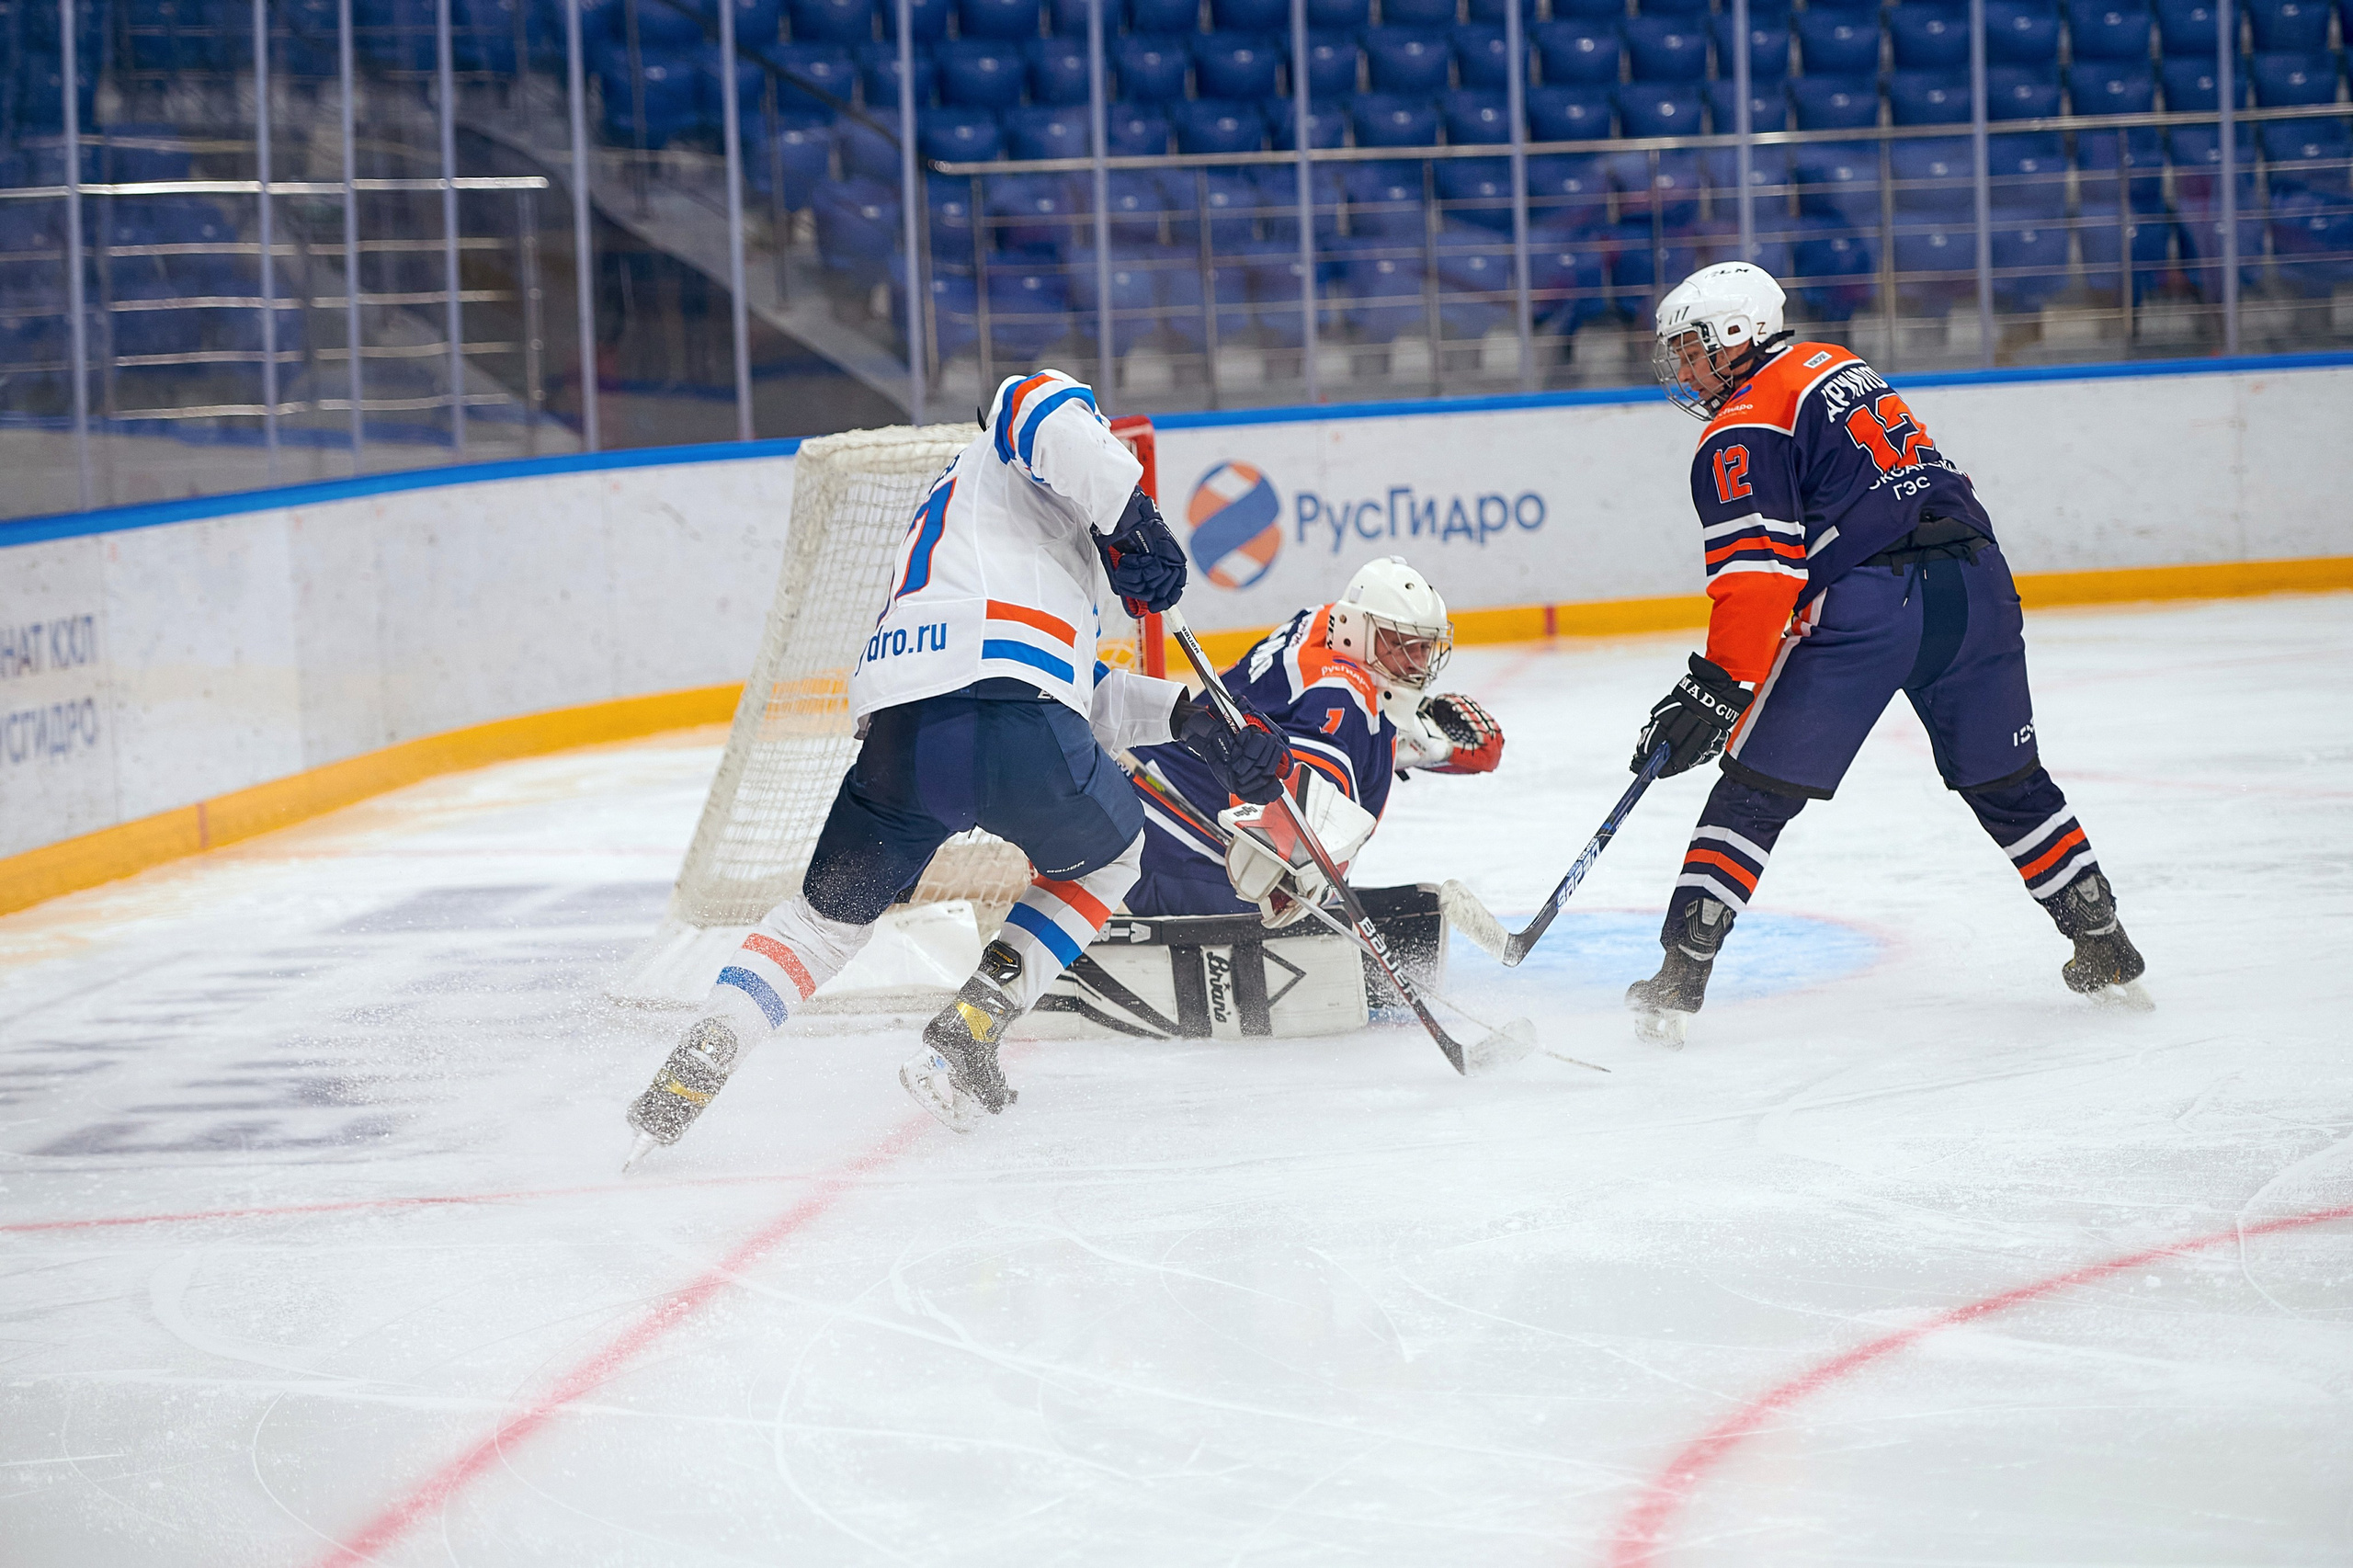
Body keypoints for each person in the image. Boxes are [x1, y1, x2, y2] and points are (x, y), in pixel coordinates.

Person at [622, 369, 1292, 1159]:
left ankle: (704, 1053)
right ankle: (971, 1026)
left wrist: (1187, 718)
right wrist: (1134, 514)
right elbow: (1030, 397)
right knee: (1115, 854)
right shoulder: (1024, 441)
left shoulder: (983, 531)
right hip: (1012, 724)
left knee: (818, 924)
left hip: (907, 740)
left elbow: (1067, 688)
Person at [1625, 262, 2147, 1042]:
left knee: (1756, 790)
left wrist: (1718, 685)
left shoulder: (1739, 425)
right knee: (2009, 779)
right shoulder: (1841, 365)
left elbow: (1761, 573)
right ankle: (2102, 941)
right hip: (1979, 585)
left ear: (1738, 332)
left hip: (1869, 604)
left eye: (1694, 348)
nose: (1687, 369)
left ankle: (1679, 976)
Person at [1122, 556, 1506, 927]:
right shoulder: (1340, 696)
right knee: (1278, 909)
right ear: (1361, 633)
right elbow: (1303, 818)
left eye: (1423, 647)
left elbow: (1316, 720)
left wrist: (1410, 740)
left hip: (1166, 780)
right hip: (1165, 815)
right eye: (1403, 645)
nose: (1416, 663)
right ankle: (1118, 911)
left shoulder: (1328, 627)